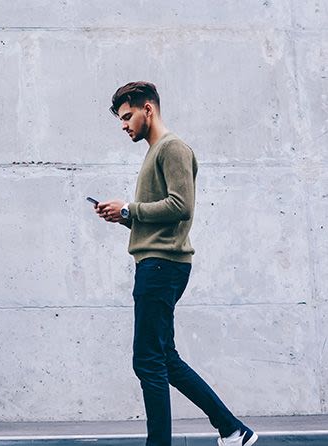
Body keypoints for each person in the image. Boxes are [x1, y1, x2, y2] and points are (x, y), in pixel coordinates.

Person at [95, 82, 257, 446]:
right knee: (163, 357)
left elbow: (181, 206)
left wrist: (128, 208)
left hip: (161, 266)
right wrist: (122, 217)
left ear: (147, 109)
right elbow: (161, 213)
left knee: (148, 361)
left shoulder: (173, 149)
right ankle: (232, 430)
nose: (124, 125)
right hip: (156, 264)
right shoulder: (156, 152)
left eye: (127, 116)